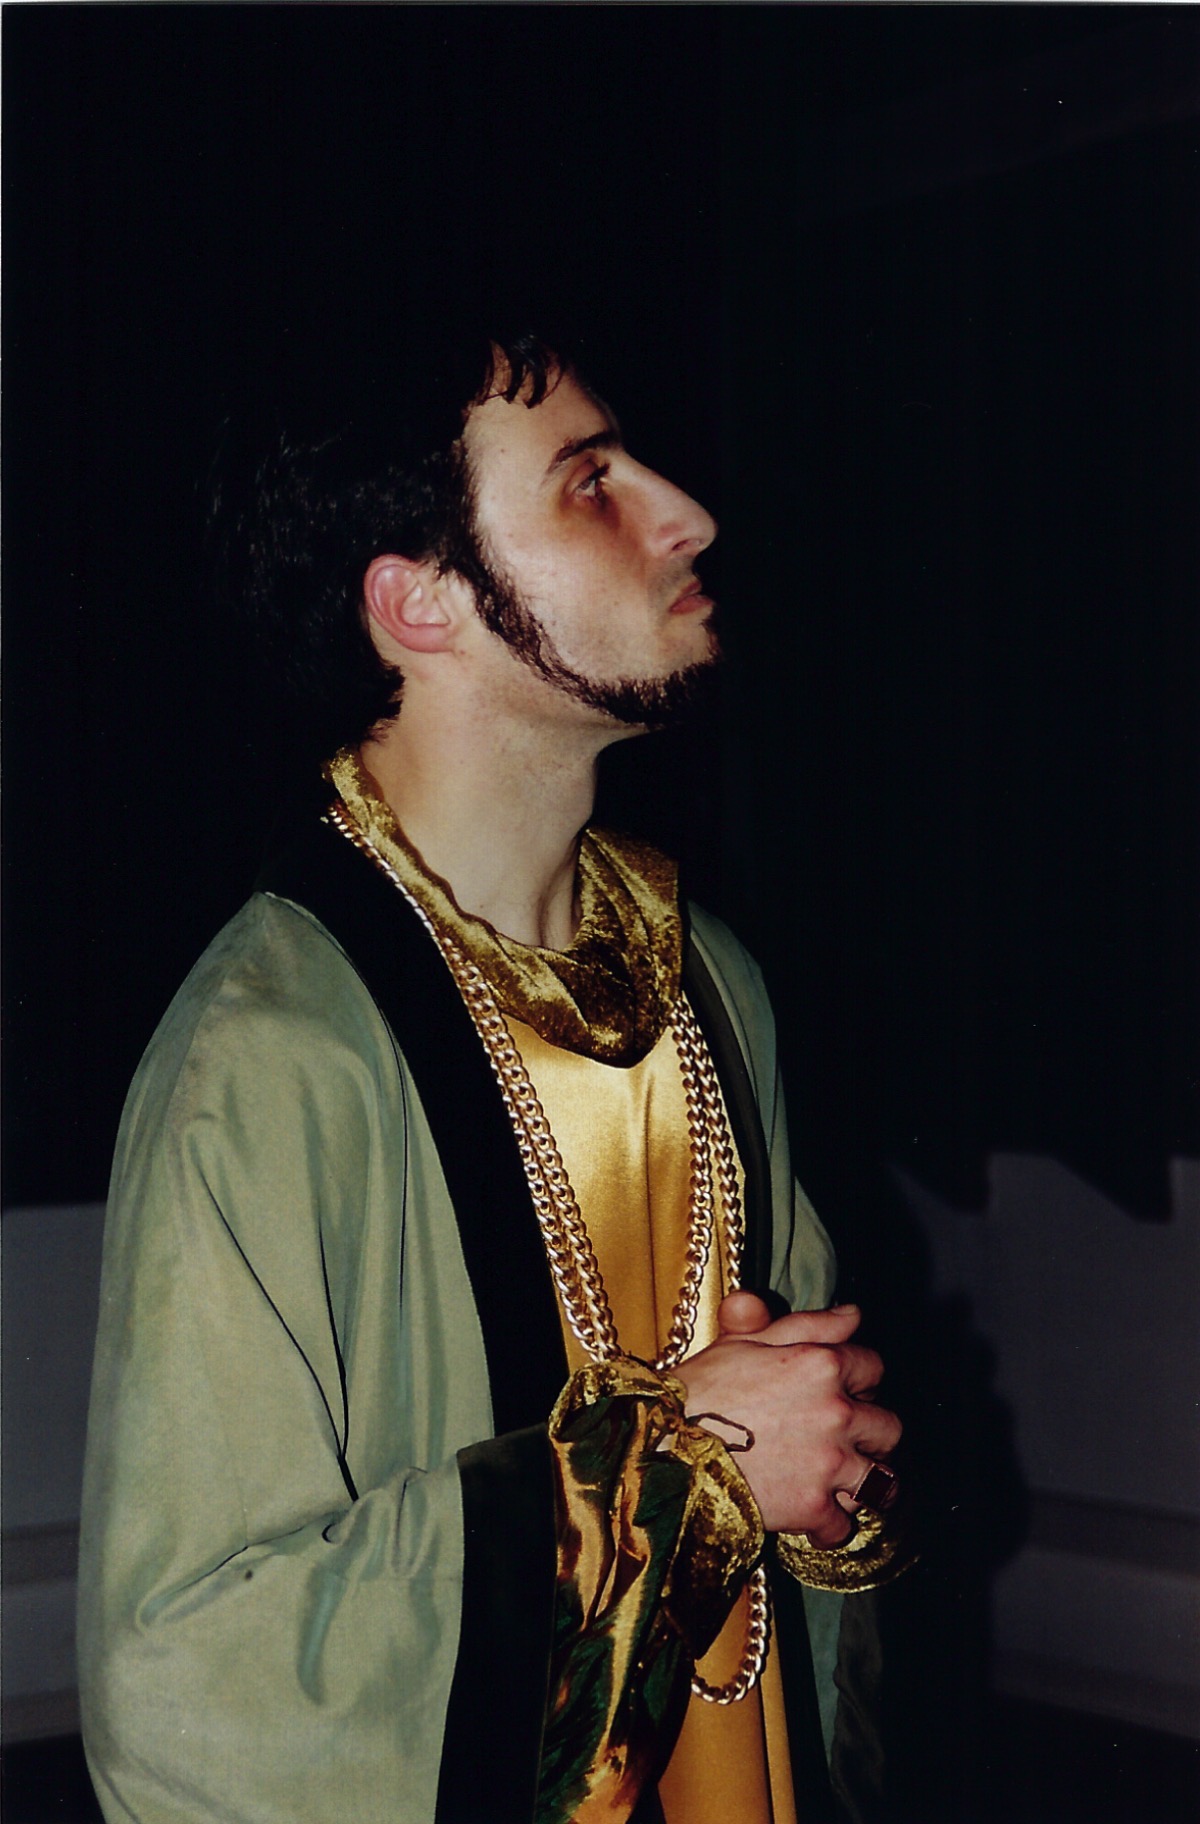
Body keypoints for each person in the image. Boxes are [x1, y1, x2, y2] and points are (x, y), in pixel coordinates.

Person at [78, 329, 907, 1824]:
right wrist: (683, 1473)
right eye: (591, 483)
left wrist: (822, 1476)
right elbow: (187, 1677)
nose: (684, 514)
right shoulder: (272, 1052)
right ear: (419, 603)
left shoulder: (711, 980)